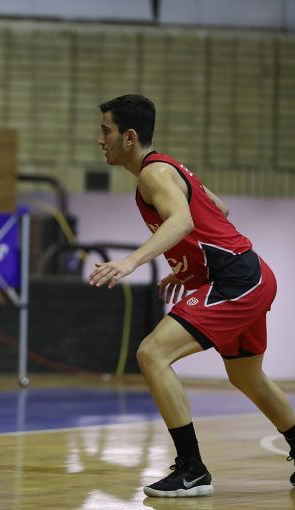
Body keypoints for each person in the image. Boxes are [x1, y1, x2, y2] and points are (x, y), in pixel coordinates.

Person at [90, 94, 295, 497]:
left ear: (129, 137)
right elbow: (218, 209)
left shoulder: (153, 174)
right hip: (247, 275)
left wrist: (132, 261)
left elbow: (182, 220)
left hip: (237, 280)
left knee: (152, 353)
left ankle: (192, 469)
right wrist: (186, 266)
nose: (100, 140)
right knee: (246, 376)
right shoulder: (169, 168)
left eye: (105, 131)